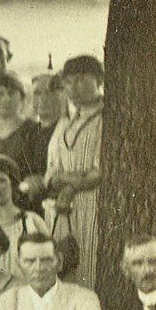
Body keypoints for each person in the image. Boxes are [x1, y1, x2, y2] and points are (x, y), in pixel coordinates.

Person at [44, 54, 104, 287]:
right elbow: (51, 170)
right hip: (61, 209)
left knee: (87, 271)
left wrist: (70, 185)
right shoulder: (65, 121)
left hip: (91, 206)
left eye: (81, 79)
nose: (74, 87)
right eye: (68, 82)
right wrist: (63, 180)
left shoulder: (104, 118)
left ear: (98, 80)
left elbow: (99, 171)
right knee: (61, 270)